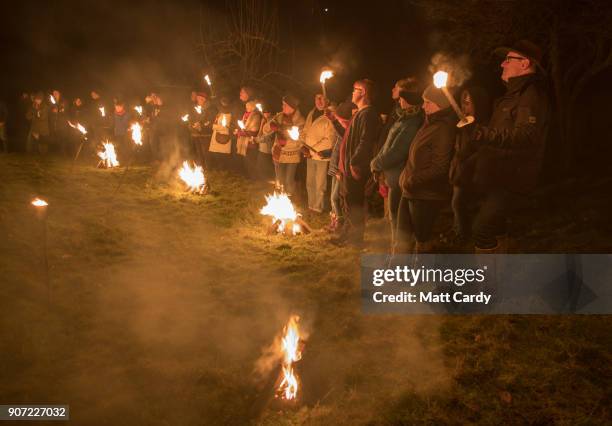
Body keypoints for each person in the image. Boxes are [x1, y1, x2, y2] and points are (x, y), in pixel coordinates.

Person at [469, 40, 550, 253]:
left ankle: (487, 284)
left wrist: (484, 133)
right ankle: (502, 274)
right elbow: (500, 133)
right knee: (496, 228)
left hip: (510, 178)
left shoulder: (529, 96)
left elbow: (525, 136)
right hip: (497, 175)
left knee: (481, 229)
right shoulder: (510, 96)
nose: (502, 64)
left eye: (508, 59)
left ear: (524, 63)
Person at [397, 85, 456, 255]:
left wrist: (411, 181)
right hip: (411, 191)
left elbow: (439, 167)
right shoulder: (429, 124)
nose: (423, 106)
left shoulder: (443, 129)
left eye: (428, 102)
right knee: (402, 235)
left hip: (425, 195)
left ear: (441, 105)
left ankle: (422, 275)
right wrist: (405, 177)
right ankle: (400, 273)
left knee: (423, 239)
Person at [370, 87, 424, 251]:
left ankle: (400, 253)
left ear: (408, 102)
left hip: (399, 176)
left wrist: (375, 163)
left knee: (398, 216)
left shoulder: (412, 123)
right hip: (392, 175)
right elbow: (387, 145)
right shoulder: (403, 119)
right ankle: (396, 250)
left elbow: (397, 152)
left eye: (402, 99)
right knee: (394, 214)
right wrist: (378, 161)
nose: (399, 102)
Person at [333, 79, 381, 246]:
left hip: (355, 168)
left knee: (354, 204)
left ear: (363, 93)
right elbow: (348, 137)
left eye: (355, 89)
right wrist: (333, 121)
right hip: (348, 167)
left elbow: (365, 141)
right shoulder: (360, 113)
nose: (352, 92)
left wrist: (354, 162)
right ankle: (346, 235)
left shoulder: (368, 114)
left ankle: (355, 240)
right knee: (348, 202)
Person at [448, 87, 491, 246]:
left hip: (473, 175)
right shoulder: (462, 125)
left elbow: (481, 151)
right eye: (462, 103)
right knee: (456, 204)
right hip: (460, 173)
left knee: (459, 204)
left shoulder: (483, 127)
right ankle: (458, 232)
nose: (464, 107)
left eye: (468, 102)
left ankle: (465, 237)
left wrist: (466, 163)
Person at [302, 93, 338, 213]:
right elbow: (305, 131)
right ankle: (311, 205)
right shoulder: (312, 113)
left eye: (321, 98)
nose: (318, 101)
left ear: (327, 100)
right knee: (310, 182)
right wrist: (303, 145)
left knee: (319, 183)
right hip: (309, 153)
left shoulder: (329, 115)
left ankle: (318, 207)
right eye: (316, 98)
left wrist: (312, 150)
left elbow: (329, 139)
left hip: (320, 156)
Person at [264, 94, 305, 195]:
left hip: (292, 155)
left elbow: (300, 140)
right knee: (279, 179)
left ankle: (290, 199)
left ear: (292, 107)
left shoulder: (300, 121)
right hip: (278, 153)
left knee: (288, 180)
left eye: (285, 105)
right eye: (283, 104)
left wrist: (286, 141)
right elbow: (265, 130)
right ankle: (279, 198)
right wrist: (271, 125)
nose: (282, 107)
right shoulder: (279, 116)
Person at [327, 100, 356, 232]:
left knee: (335, 197)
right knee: (332, 198)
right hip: (335, 166)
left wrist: (333, 121)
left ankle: (340, 221)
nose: (339, 122)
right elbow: (337, 146)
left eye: (340, 119)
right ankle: (334, 221)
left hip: (341, 168)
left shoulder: (350, 131)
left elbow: (343, 133)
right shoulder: (343, 131)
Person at [235, 100, 262, 180]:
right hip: (243, 142)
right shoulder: (245, 115)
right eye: (246, 106)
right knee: (246, 160)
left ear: (253, 107)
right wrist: (238, 131)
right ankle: (248, 176)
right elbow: (243, 127)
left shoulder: (256, 116)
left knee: (251, 160)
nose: (246, 108)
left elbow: (254, 130)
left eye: (248, 106)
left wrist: (241, 132)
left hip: (251, 142)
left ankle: (254, 178)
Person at [190, 92, 217, 168]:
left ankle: (209, 168)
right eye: (197, 98)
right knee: (199, 152)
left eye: (199, 98)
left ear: (203, 99)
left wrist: (201, 125)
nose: (197, 100)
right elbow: (193, 118)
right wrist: (193, 124)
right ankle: (202, 167)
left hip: (206, 134)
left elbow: (210, 120)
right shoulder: (197, 108)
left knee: (206, 152)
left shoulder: (210, 108)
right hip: (196, 133)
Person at [208, 97, 233, 170]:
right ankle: (219, 171)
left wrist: (214, 127)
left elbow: (226, 127)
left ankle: (224, 171)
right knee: (217, 154)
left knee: (223, 156)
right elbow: (216, 122)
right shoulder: (219, 114)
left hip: (223, 136)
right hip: (216, 136)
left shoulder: (229, 115)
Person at [255, 103, 275, 181]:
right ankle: (262, 182)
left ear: (271, 112)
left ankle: (269, 183)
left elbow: (269, 137)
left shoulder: (272, 122)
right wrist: (262, 124)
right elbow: (260, 133)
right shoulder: (264, 120)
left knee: (267, 167)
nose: (266, 113)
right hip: (262, 148)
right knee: (260, 166)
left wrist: (257, 140)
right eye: (264, 112)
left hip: (268, 149)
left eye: (268, 112)